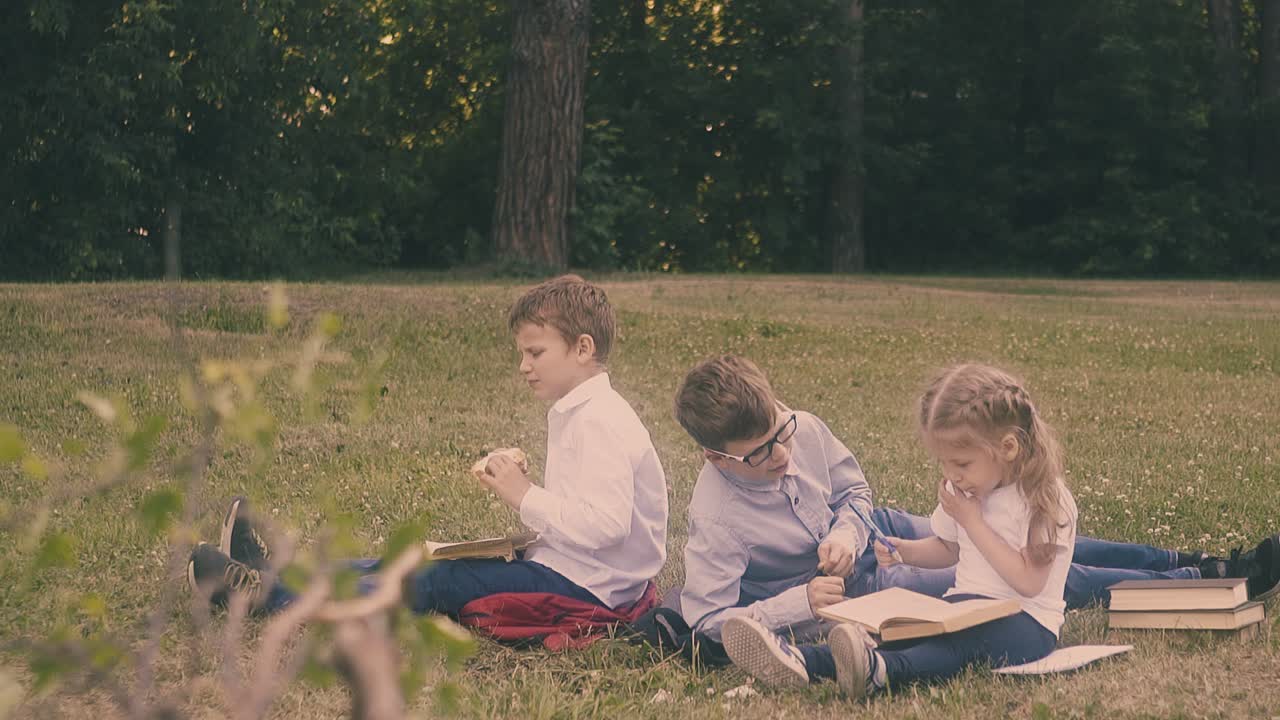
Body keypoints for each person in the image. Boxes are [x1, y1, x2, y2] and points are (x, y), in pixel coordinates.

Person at [649, 354, 1278, 665]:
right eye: (760, 456)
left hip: (880, 538)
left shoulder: (800, 428)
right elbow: (711, 626)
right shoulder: (716, 519)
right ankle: (1200, 583)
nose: (784, 455)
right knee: (1024, 568)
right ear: (715, 459)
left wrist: (848, 528)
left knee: (1029, 534)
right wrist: (802, 601)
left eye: (782, 433)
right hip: (861, 587)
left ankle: (1194, 562)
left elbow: (855, 495)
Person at [187, 274, 669, 625]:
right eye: (522, 353)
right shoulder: (577, 410)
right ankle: (273, 571)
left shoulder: (602, 421)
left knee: (434, 582)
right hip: (562, 564)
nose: (524, 365)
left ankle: (265, 596)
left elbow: (607, 528)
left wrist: (524, 495)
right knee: (416, 562)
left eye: (535, 353)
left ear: (582, 349)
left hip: (590, 588)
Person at [722, 363, 1075, 694]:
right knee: (900, 633)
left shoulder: (1044, 498)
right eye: (944, 463)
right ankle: (802, 661)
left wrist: (972, 520)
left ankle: (885, 672)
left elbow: (1028, 582)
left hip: (1025, 624)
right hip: (962, 608)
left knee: (954, 648)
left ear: (1008, 448)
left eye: (962, 463)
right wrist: (905, 551)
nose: (953, 474)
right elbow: (949, 549)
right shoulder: (967, 491)